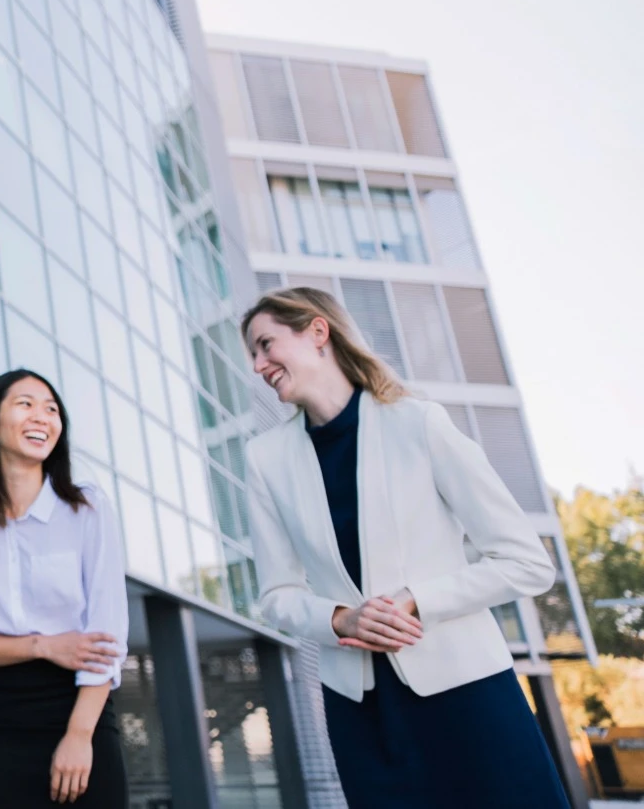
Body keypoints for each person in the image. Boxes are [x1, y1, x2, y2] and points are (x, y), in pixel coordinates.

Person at [240, 286, 567, 809]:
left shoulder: (419, 422)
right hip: (362, 713)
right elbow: (277, 595)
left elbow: (526, 563)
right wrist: (341, 619)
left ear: (318, 332)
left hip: (468, 691)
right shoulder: (265, 459)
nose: (258, 365)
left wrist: (416, 600)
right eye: (252, 354)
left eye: (265, 345)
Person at [0, 368, 129, 808]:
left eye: (52, 409)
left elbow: (107, 633)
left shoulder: (88, 508)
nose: (42, 416)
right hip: (0, 718)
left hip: (81, 707)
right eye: (25, 404)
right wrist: (44, 645)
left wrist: (79, 735)